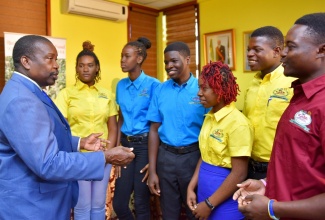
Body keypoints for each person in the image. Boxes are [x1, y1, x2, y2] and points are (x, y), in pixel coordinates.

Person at [0, 35, 134, 220]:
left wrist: (80, 142)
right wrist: (105, 157)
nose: (56, 65)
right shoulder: (22, 100)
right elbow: (48, 163)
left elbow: (38, 137)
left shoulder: (28, 91)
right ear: (26, 61)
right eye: (50, 58)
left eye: (56, 59)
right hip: (31, 207)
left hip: (39, 200)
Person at [233, 13, 325, 220]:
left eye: (291, 46)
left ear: (321, 50)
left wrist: (272, 209)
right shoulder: (301, 95)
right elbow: (299, 164)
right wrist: (267, 183)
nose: (282, 53)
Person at [54, 41, 117, 220]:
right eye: (81, 66)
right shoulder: (66, 94)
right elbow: (61, 128)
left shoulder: (107, 94)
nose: (85, 69)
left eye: (90, 65)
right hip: (78, 156)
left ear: (97, 68)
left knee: (98, 205)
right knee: (82, 206)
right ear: (76, 69)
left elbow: (112, 126)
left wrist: (109, 152)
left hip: (102, 157)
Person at [146, 41, 209, 219]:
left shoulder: (202, 89)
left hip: (193, 157)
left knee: (194, 211)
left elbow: (210, 128)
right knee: (169, 213)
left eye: (174, 61)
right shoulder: (160, 90)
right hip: (166, 158)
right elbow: (153, 129)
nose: (169, 66)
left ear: (187, 59)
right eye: (166, 62)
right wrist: (152, 170)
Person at [187, 61, 253, 219]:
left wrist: (210, 204)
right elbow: (204, 156)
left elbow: (239, 173)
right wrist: (191, 187)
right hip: (204, 190)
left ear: (220, 90)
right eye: (199, 87)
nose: (199, 93)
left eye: (204, 88)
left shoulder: (238, 123)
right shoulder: (209, 117)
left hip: (224, 197)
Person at [113, 37, 160, 220]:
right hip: (125, 145)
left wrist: (153, 158)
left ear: (139, 59)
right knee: (120, 203)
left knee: (141, 202)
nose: (122, 60)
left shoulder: (153, 85)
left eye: (127, 56)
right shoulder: (121, 86)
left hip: (145, 146)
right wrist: (116, 147)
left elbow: (158, 124)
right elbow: (120, 117)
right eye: (121, 56)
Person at [243, 26, 295, 179]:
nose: (249, 54)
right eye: (248, 49)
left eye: (257, 50)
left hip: (280, 167)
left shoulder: (292, 82)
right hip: (249, 165)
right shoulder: (253, 84)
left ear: (277, 51)